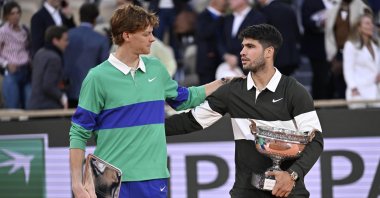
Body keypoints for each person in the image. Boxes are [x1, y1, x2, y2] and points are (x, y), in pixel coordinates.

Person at [69, 4, 225, 198]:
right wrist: (76, 184)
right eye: (146, 34)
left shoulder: (157, 69)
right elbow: (79, 131)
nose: (152, 39)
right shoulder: (97, 77)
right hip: (109, 181)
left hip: (153, 178)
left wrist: (222, 82)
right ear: (127, 35)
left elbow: (186, 98)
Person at [166, 24, 324, 198]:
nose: (242, 52)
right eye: (242, 46)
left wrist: (292, 175)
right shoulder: (231, 91)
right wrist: (145, 127)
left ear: (268, 52)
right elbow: (191, 121)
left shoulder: (294, 91)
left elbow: (315, 140)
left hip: (288, 191)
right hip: (245, 192)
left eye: (250, 46)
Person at [63, 3, 109, 108]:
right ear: (95, 19)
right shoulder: (101, 39)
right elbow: (105, 69)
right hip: (92, 94)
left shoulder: (66, 35)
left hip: (68, 91)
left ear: (79, 17)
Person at [343, 13, 380, 109]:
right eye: (367, 23)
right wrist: (353, 88)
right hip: (358, 92)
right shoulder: (350, 45)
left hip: (375, 91)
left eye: (371, 23)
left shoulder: (375, 45)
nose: (371, 26)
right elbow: (348, 69)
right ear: (359, 27)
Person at [256, 0, 301, 76]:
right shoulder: (288, 9)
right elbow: (296, 32)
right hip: (290, 56)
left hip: (274, 57)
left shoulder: (263, 11)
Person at [0, 1, 31, 109]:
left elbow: (26, 48)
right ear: (6, 16)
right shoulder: (3, 31)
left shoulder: (24, 30)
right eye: (12, 13)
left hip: (26, 71)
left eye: (18, 13)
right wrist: (6, 64)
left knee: (28, 105)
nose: (16, 16)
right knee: (13, 106)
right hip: (12, 72)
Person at [29, 26, 69, 109]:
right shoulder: (54, 58)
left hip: (34, 105)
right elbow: (48, 86)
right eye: (65, 40)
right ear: (55, 41)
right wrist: (62, 97)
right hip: (48, 107)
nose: (67, 43)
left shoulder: (40, 53)